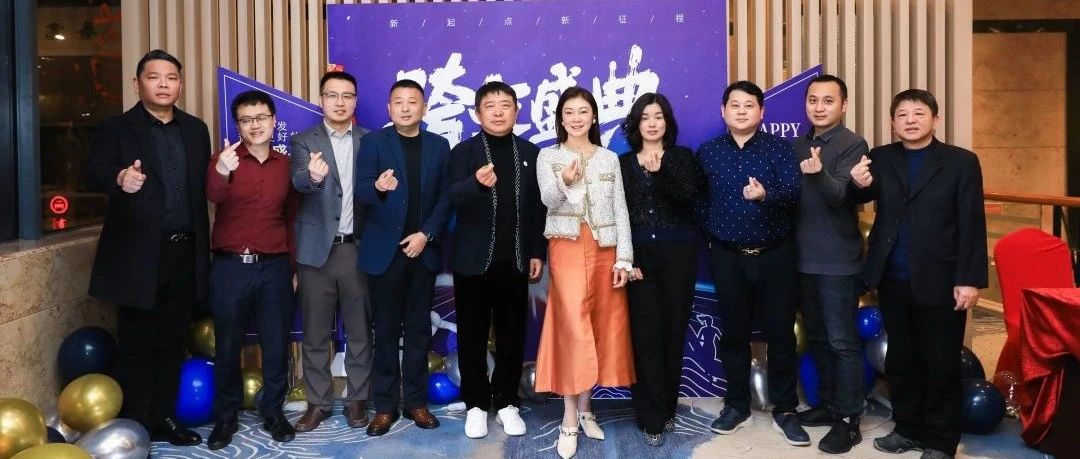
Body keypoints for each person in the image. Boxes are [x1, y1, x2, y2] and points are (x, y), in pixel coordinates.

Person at [849, 89, 987, 459]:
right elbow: (858, 196)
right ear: (893, 122)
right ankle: (908, 428)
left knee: (941, 362)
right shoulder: (881, 157)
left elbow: (972, 223)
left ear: (935, 119)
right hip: (893, 278)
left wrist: (970, 279)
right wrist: (857, 184)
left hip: (943, 280)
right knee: (901, 361)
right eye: (903, 114)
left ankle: (941, 441)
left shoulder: (961, 162)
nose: (910, 120)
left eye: (919, 113)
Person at [82, 49, 208, 446]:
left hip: (183, 251)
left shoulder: (196, 130)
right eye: (154, 77)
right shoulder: (117, 128)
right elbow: (92, 172)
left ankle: (165, 417)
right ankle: (136, 425)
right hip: (138, 256)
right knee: (137, 342)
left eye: (171, 77)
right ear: (137, 84)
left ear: (180, 84)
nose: (164, 84)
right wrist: (119, 177)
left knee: (173, 341)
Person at [696, 80, 808, 446]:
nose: (741, 111)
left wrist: (765, 196)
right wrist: (714, 235)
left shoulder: (780, 149)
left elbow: (794, 194)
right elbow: (699, 201)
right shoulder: (709, 152)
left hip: (775, 255)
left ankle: (786, 409)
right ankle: (736, 405)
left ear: (761, 112)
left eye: (749, 105)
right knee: (734, 335)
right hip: (728, 257)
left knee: (781, 335)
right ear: (723, 111)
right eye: (735, 105)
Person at [534, 86, 636, 459]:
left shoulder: (609, 158)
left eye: (583, 111)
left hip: (605, 248)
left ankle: (587, 408)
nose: (576, 118)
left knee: (597, 326)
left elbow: (621, 209)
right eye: (569, 112)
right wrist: (565, 180)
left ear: (593, 116)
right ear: (561, 119)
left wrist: (624, 258)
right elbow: (547, 199)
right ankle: (568, 418)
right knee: (572, 329)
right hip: (566, 246)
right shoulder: (548, 156)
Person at [448, 81, 546, 439]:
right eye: (490, 105)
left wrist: (537, 251)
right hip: (472, 262)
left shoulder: (531, 153)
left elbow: (538, 209)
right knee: (471, 336)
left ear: (517, 111)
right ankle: (475, 404)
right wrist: (475, 183)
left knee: (511, 336)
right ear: (478, 113)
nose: (498, 111)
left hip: (515, 260)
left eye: (506, 105)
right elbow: (451, 197)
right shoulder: (464, 152)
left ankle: (506, 403)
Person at [355, 79, 452, 436]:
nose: (406, 108)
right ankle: (384, 407)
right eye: (399, 102)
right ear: (389, 108)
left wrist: (426, 235)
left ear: (424, 108)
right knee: (384, 332)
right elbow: (361, 192)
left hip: (422, 251)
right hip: (385, 253)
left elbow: (446, 198)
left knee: (417, 331)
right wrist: (378, 187)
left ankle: (415, 402)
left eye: (413, 102)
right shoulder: (374, 142)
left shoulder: (439, 146)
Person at [204, 90, 297, 448]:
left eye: (261, 118)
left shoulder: (286, 165)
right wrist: (222, 171)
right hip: (231, 268)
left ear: (274, 121)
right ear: (238, 125)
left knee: (276, 344)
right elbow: (213, 195)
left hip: (274, 267)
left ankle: (273, 412)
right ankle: (225, 418)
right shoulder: (223, 159)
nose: (254, 125)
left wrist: (293, 268)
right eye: (246, 120)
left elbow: (291, 219)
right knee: (227, 345)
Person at [289, 71, 374, 433]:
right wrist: (314, 177)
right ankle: (318, 403)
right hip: (316, 253)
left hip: (358, 250)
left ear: (355, 100)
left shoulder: (370, 141)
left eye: (347, 96)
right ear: (321, 99)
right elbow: (298, 182)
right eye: (332, 95)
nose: (340, 102)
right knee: (315, 333)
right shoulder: (302, 141)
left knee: (359, 331)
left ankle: (357, 400)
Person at [618, 92, 704, 447]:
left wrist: (662, 171)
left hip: (678, 256)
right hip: (639, 258)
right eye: (645, 117)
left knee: (672, 333)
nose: (652, 123)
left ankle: (667, 408)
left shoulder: (682, 157)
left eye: (658, 116)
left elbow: (691, 198)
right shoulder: (623, 163)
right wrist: (627, 260)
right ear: (636, 124)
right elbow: (618, 215)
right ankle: (650, 416)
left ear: (667, 122)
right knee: (645, 337)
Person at [791, 74, 869, 454]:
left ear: (844, 105)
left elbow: (841, 196)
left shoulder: (853, 144)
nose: (819, 107)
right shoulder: (798, 144)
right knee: (819, 339)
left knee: (842, 342)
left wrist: (819, 173)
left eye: (828, 100)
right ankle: (828, 405)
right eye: (813, 100)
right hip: (802, 260)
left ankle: (849, 420)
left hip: (838, 262)